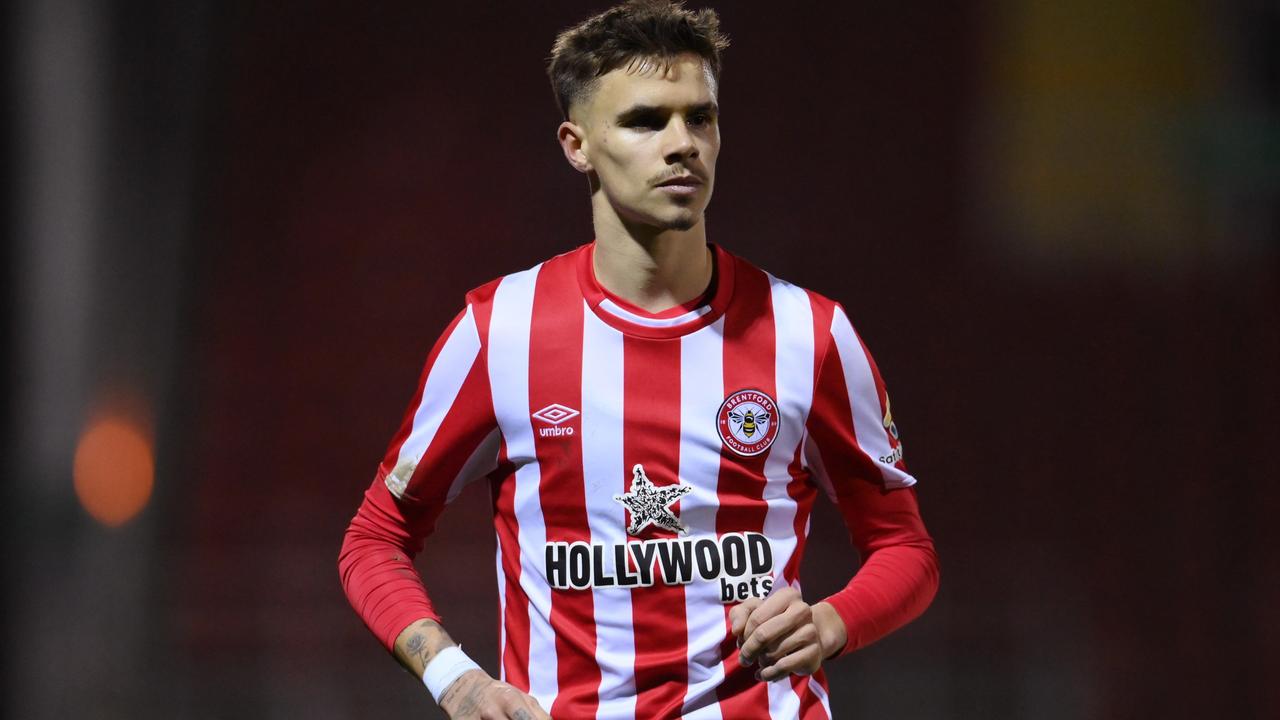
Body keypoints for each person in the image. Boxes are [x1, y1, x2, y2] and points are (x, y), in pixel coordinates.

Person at [338, 2, 940, 718]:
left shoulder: (809, 333)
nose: (682, 143)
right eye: (646, 121)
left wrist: (830, 622)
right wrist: (457, 681)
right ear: (577, 144)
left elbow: (906, 549)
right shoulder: (499, 332)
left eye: (701, 118)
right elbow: (375, 539)